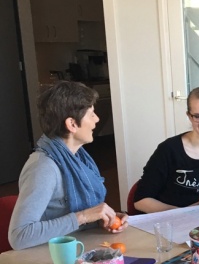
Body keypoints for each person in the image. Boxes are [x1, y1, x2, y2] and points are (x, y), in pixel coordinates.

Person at [8, 81, 128, 250]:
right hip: (53, 257)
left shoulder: (78, 157)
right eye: (91, 114)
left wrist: (101, 218)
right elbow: (19, 236)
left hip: (81, 247)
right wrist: (83, 216)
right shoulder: (43, 168)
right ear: (72, 124)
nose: (97, 119)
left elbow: (75, 216)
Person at [133, 86, 199, 212]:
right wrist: (183, 213)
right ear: (189, 116)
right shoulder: (168, 149)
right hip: (173, 219)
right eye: (198, 116)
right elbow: (140, 200)